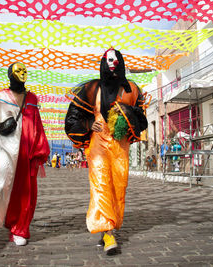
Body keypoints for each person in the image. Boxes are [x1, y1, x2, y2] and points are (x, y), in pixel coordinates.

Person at [65, 48, 147, 255]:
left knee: (119, 186)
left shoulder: (132, 90)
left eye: (116, 59)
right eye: (109, 59)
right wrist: (89, 122)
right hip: (98, 144)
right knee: (101, 184)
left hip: (120, 146)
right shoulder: (92, 88)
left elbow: (142, 120)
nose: (113, 62)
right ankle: (108, 231)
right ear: (103, 62)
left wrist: (127, 114)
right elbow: (73, 116)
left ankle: (109, 225)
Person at [0, 62, 50, 246]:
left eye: (24, 71)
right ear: (10, 75)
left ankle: (19, 228)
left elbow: (37, 125)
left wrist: (39, 149)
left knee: (25, 191)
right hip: (6, 148)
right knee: (0, 185)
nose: (22, 74)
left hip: (27, 151)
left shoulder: (32, 98)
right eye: (18, 71)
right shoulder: (1, 97)